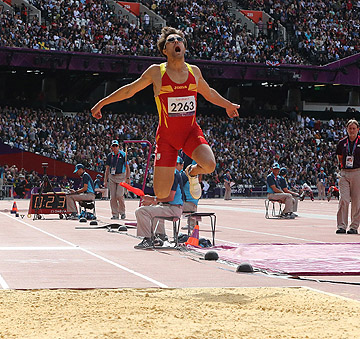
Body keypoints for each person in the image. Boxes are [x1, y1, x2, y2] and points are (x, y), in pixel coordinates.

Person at [91, 26, 240, 201]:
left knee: (209, 165)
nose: (176, 42)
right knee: (161, 193)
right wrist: (101, 103)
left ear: (184, 47)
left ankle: (191, 173)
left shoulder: (194, 71)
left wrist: (228, 105)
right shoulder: (157, 72)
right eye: (171, 40)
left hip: (190, 133)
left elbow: (209, 93)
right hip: (167, 138)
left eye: (180, 40)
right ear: (164, 50)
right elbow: (129, 90)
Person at [134, 160, 184, 249]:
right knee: (153, 208)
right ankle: (160, 236)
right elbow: (164, 196)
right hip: (170, 207)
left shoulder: (173, 174)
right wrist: (152, 200)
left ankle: (148, 239)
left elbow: (170, 198)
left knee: (141, 211)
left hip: (174, 209)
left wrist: (153, 199)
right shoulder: (170, 174)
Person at [335, 119, 360, 234]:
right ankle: (341, 226)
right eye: (350, 128)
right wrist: (342, 167)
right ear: (347, 129)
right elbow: (339, 157)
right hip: (344, 172)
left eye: (354, 128)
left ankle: (354, 227)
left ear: (358, 129)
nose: (352, 130)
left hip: (357, 172)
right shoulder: (342, 143)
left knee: (356, 201)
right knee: (344, 199)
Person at [104, 140, 130, 220]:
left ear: (118, 146)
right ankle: (115, 214)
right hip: (112, 176)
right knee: (113, 197)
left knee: (119, 195)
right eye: (113, 146)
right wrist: (105, 180)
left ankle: (122, 212)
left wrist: (128, 178)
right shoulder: (109, 156)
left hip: (121, 176)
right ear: (111, 147)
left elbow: (127, 167)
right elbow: (107, 169)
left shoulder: (123, 155)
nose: (115, 147)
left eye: (116, 146)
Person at [180, 156, 200, 231]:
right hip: (193, 201)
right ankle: (193, 224)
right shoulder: (191, 176)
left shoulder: (185, 175)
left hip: (190, 203)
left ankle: (192, 224)